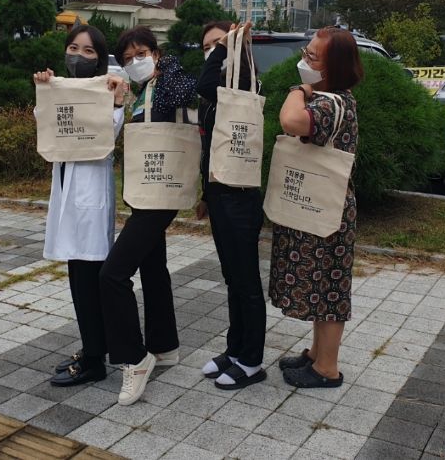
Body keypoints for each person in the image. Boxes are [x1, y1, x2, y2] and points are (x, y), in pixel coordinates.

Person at [99, 26, 196, 406]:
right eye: (127, 59)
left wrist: (162, 69)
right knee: (153, 267)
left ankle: (135, 359)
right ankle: (164, 345)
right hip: (149, 190)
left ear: (156, 52)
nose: (135, 61)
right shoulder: (143, 92)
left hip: (162, 191)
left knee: (112, 274)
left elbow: (186, 94)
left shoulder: (171, 77)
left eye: (141, 53)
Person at [33, 25, 127, 387]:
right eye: (73, 48)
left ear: (100, 58)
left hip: (90, 196)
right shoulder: (62, 90)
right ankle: (92, 348)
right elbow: (46, 128)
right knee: (78, 276)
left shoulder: (107, 89)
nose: (78, 56)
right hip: (67, 191)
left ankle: (94, 359)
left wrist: (116, 102)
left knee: (87, 280)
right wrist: (45, 90)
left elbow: (110, 135)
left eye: (88, 51)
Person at [269, 27, 363, 388]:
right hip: (325, 206)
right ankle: (316, 354)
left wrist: (297, 90)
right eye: (305, 53)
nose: (304, 61)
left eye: (312, 57)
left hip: (328, 211)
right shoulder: (334, 98)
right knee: (323, 286)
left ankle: (327, 368)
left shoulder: (328, 103)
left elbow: (291, 121)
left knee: (330, 290)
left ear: (332, 67)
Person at [195, 21, 267, 390]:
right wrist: (205, 195)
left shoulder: (242, 83)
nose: (212, 50)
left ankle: (252, 361)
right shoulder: (221, 92)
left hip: (240, 197)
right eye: (207, 46)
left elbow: (204, 83)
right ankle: (235, 350)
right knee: (232, 278)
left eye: (218, 43)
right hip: (220, 194)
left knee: (246, 281)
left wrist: (227, 47)